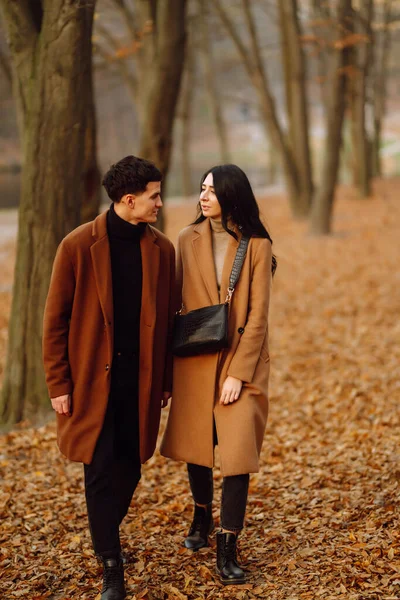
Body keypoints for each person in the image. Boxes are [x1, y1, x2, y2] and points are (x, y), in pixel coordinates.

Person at [42, 155, 175, 600]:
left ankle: (103, 536)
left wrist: (166, 379)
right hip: (89, 384)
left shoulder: (162, 250)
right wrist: (59, 384)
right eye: (154, 196)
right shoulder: (78, 246)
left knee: (131, 469)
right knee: (99, 473)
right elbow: (55, 321)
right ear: (128, 199)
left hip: (139, 384)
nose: (160, 202)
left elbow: (170, 321)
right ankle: (112, 568)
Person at [161, 164, 276, 585]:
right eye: (201, 189)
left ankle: (228, 545)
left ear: (231, 195)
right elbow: (172, 302)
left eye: (211, 190)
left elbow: (259, 317)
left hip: (239, 362)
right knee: (197, 444)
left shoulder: (257, 245)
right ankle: (201, 514)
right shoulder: (184, 239)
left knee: (237, 453)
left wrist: (238, 375)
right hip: (194, 359)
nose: (203, 196)